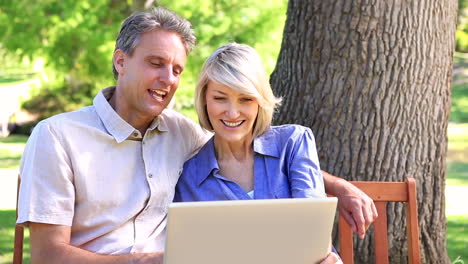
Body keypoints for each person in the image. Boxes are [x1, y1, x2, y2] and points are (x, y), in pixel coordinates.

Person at [16, 7, 376, 264]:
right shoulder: (58, 136)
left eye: (176, 69)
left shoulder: (180, 133)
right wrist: (152, 262)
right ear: (121, 61)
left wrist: (338, 186)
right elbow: (48, 256)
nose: (168, 79)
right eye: (156, 63)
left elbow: (241, 148)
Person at [174, 43, 343, 263]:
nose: (233, 112)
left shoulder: (293, 143)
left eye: (245, 99)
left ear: (260, 101)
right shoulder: (189, 179)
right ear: (205, 100)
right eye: (220, 98)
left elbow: (314, 237)